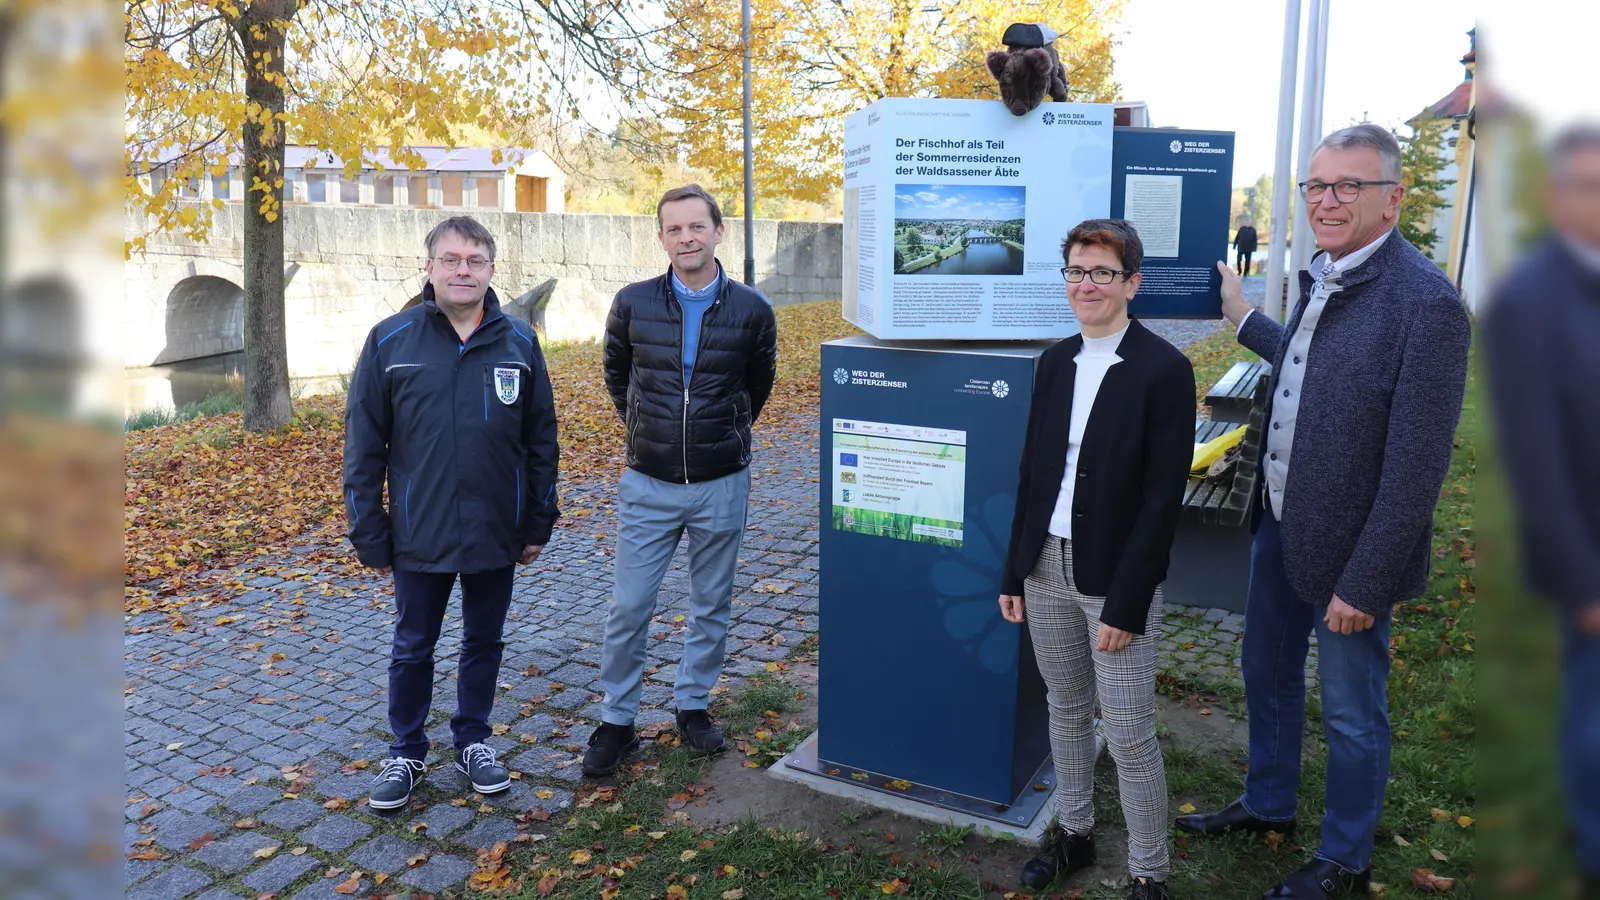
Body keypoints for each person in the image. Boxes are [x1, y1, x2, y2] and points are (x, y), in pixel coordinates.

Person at [1177, 124, 1471, 899]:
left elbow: (1416, 471)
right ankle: (1268, 801)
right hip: (1280, 519)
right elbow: (1314, 364)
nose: (1327, 201)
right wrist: (1242, 316)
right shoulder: (1327, 272)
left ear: (1392, 198)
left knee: (1350, 709)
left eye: (1349, 186)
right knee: (1266, 672)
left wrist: (1365, 585)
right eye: (1316, 186)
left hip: (1352, 552)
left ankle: (1346, 857)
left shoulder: (1427, 306)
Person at [999, 218, 1195, 900]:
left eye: (1102, 273)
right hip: (1045, 568)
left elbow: (1163, 498)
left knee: (1132, 732)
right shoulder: (1054, 363)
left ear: (1132, 283)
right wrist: (1014, 569)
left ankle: (1149, 871)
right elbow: (1032, 472)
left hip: (1114, 576)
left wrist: (1129, 600)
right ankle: (1075, 835)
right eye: (1077, 271)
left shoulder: (1163, 370)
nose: (1087, 284)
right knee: (1066, 707)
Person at [343, 215, 560, 810]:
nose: (463, 271)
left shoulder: (519, 341)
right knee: (414, 645)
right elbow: (363, 447)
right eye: (451, 260)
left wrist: (539, 519)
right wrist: (369, 532)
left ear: (491, 270)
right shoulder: (391, 340)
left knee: (484, 641)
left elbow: (542, 439)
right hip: (420, 530)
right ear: (430, 267)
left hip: (498, 528)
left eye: (475, 261)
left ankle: (472, 739)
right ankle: (407, 751)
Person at [583, 185, 778, 777]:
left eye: (697, 226)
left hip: (722, 482)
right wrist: (650, 431)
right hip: (648, 482)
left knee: (710, 602)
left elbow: (757, 385)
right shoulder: (633, 302)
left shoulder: (752, 309)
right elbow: (618, 375)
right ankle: (618, 718)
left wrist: (720, 437)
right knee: (629, 606)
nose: (686, 238)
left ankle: (692, 705)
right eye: (675, 229)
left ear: (719, 232)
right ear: (661, 238)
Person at [1483, 123, 1600, 897]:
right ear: (1557, 196)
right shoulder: (1529, 299)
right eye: (1587, 185)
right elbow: (1537, 463)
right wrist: (1583, 587)